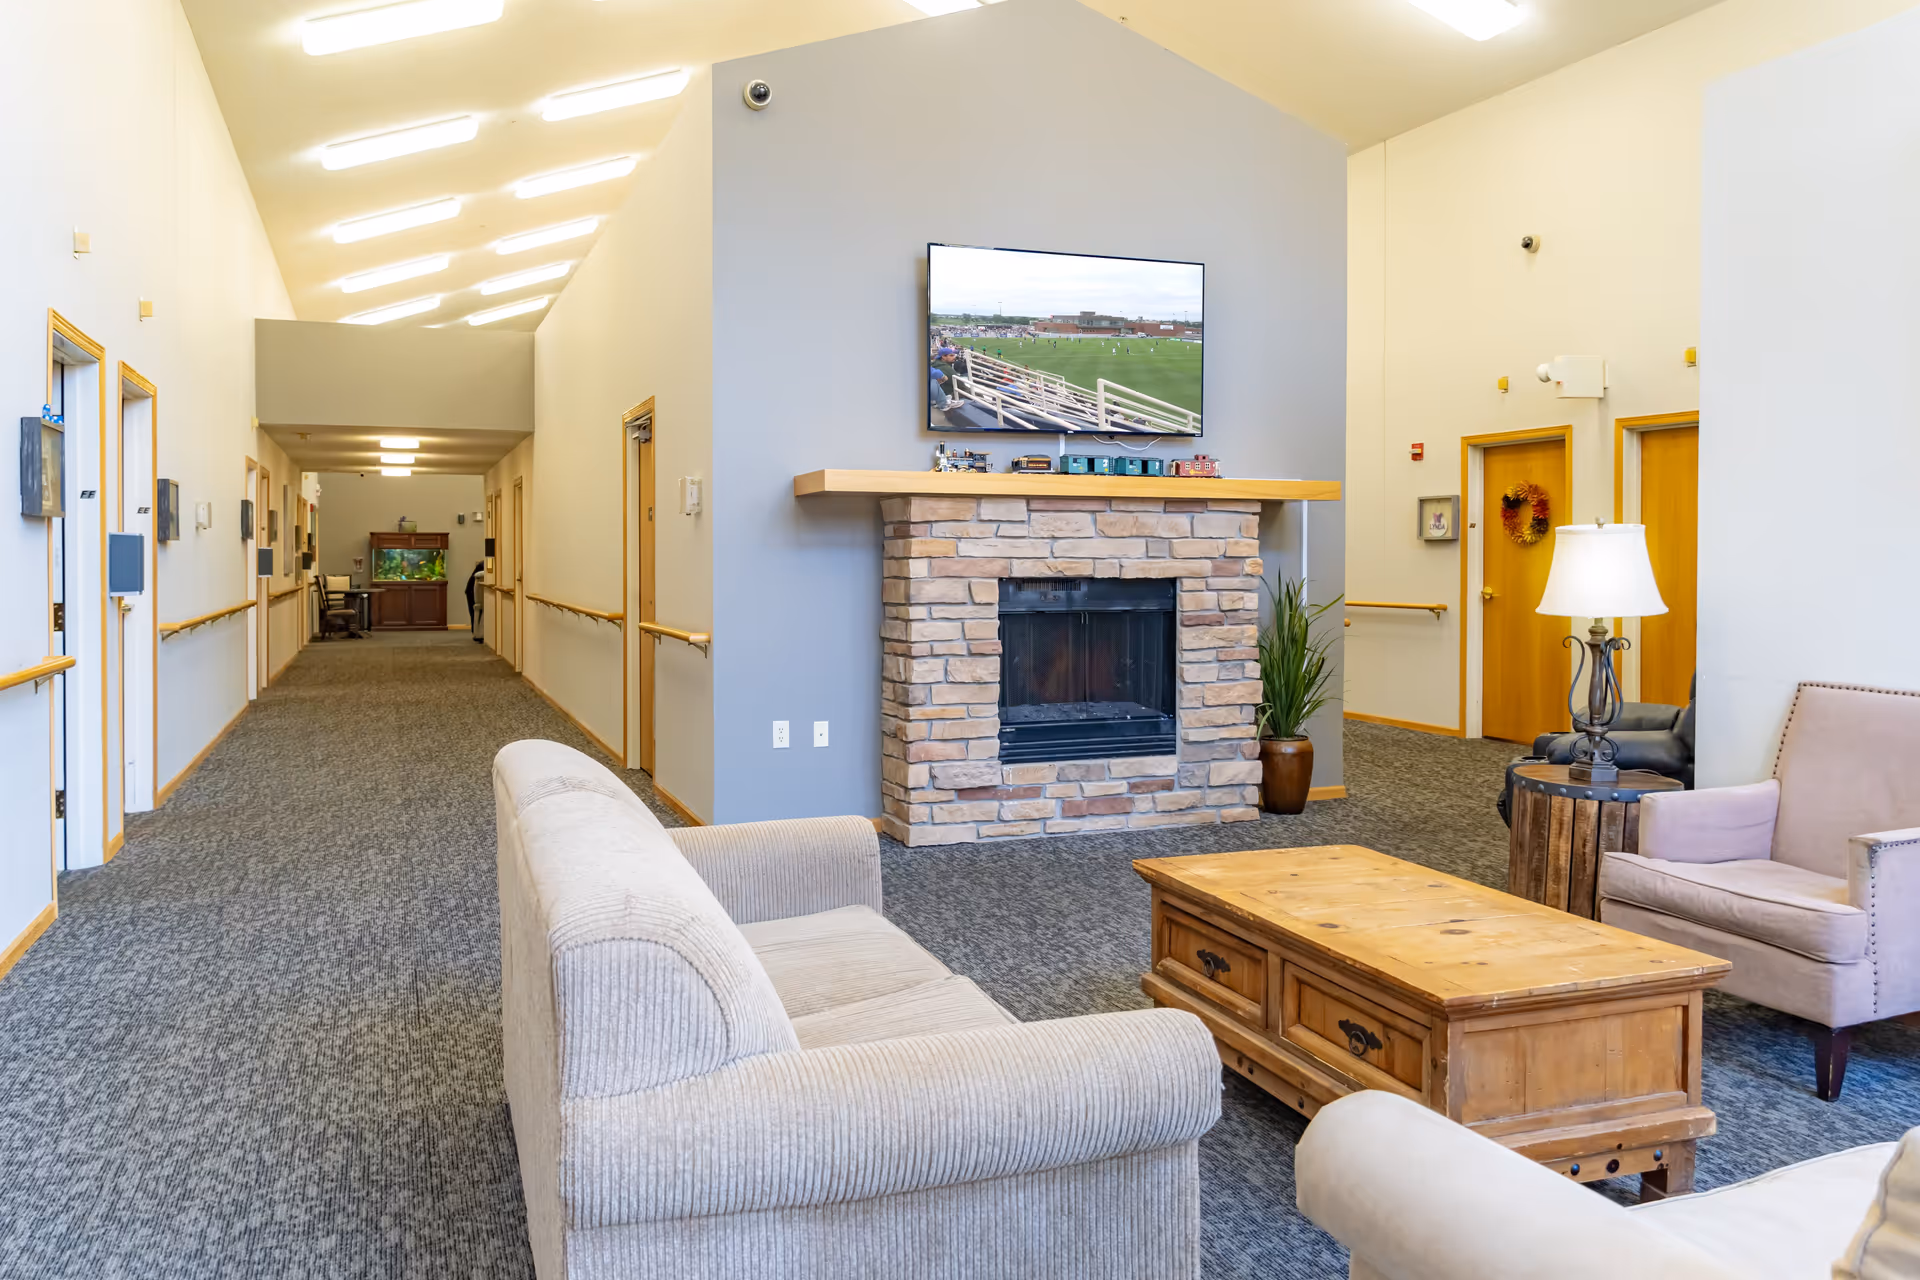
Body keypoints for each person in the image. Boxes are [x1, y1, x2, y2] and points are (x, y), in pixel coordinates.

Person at [465, 561, 485, 643]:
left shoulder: (482, 564)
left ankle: (476, 633)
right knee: (475, 611)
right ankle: (476, 634)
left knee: (476, 611)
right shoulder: (483, 565)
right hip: (471, 590)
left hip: (472, 589)